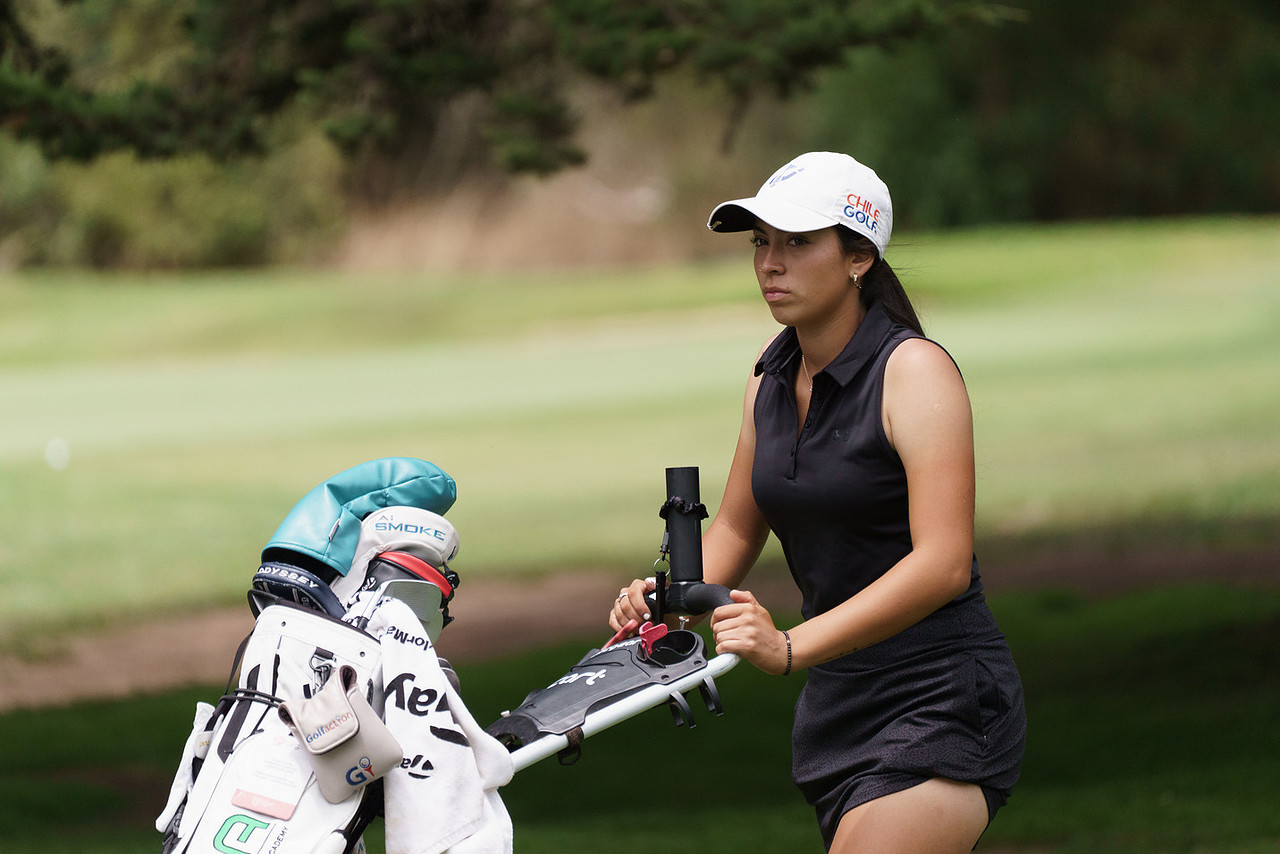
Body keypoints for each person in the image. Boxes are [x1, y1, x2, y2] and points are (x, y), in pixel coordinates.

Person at [609, 152, 1026, 853]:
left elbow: (944, 564)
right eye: (761, 242)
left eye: (798, 243)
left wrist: (789, 646)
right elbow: (736, 528)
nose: (770, 263)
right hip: (838, 705)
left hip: (942, 696)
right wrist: (667, 600)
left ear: (859, 257)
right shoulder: (768, 376)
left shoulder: (914, 371)